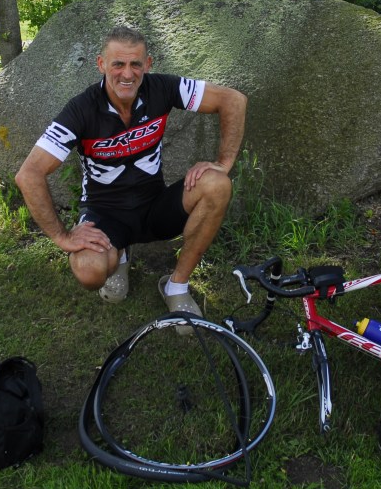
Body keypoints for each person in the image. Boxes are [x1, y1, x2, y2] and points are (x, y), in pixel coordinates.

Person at [14, 25, 248, 319]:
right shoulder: (80, 109)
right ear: (101, 65)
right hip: (106, 214)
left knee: (218, 184)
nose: (127, 74)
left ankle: (177, 286)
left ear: (147, 64)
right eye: (118, 64)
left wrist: (222, 163)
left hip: (155, 206)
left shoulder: (162, 88)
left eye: (136, 64)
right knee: (88, 271)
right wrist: (62, 237)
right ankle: (118, 255)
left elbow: (233, 100)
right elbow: (29, 174)